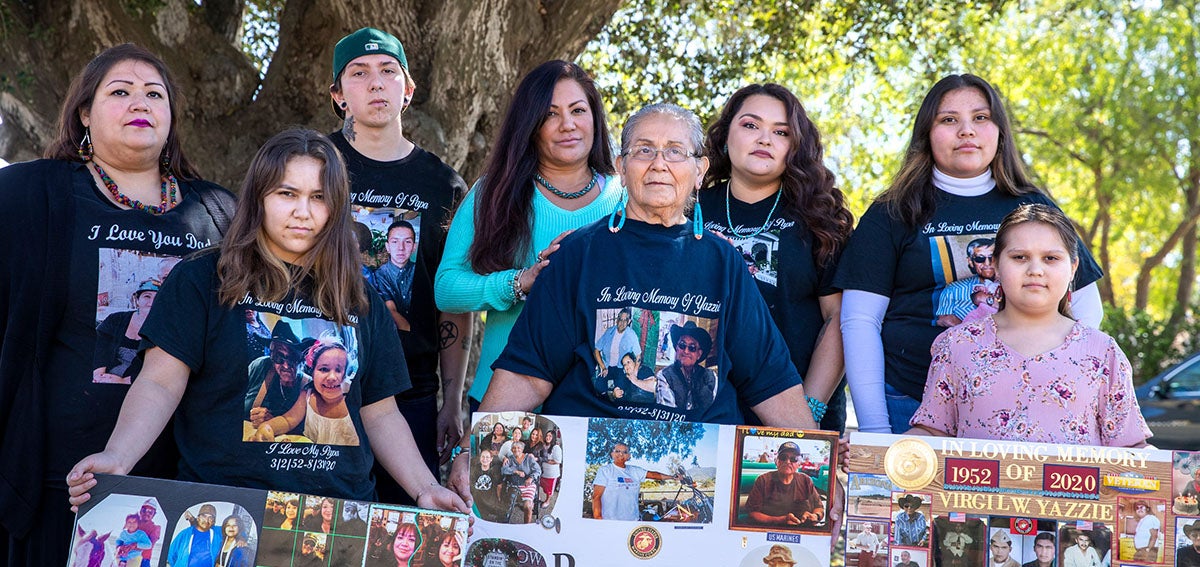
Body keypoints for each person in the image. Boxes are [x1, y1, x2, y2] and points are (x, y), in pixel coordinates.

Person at [65, 129, 468, 516]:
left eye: (318, 197)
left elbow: (380, 413)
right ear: (258, 197)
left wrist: (425, 488)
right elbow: (159, 382)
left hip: (338, 518)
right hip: (224, 511)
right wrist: (118, 457)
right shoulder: (203, 278)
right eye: (286, 193)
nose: (302, 211)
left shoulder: (360, 299)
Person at [0, 43, 236, 566]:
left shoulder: (221, 212)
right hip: (61, 478)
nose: (141, 103)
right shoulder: (27, 194)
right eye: (121, 91)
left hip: (188, 479)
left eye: (155, 94)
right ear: (85, 111)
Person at [835, 74, 1104, 434]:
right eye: (949, 120)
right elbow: (860, 322)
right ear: (927, 134)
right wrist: (875, 429)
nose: (967, 131)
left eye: (980, 118)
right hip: (908, 404)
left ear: (999, 132)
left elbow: (1085, 307)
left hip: (1020, 405)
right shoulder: (892, 212)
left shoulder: (1035, 207)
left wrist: (1052, 384)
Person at [329, 27, 472, 505]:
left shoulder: (443, 184)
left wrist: (450, 402)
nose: (375, 83)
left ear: (407, 90)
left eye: (388, 71)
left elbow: (453, 299)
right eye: (359, 73)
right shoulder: (312, 166)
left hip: (409, 391)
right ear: (338, 94)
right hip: (324, 381)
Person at [434, 60, 623, 411]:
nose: (568, 125)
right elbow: (446, 289)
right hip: (501, 403)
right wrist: (520, 282)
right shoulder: (493, 192)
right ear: (530, 126)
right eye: (550, 114)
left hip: (597, 409)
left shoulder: (626, 198)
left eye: (578, 110)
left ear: (595, 118)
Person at [907, 205, 1151, 446]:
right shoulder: (958, 345)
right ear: (997, 266)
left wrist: (1182, 474)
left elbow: (1130, 447)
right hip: (974, 487)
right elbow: (932, 433)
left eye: (1050, 258)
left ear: (1073, 268)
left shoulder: (1101, 352)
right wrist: (877, 458)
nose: (1035, 270)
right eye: (1019, 257)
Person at [699, 83, 853, 431]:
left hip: (799, 409)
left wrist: (806, 410)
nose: (764, 139)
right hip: (706, 411)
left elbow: (839, 319)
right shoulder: (687, 209)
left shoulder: (821, 218)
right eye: (750, 125)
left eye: (780, 132)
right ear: (725, 137)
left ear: (795, 146)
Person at [250, 337, 361, 445]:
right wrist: (267, 427)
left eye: (338, 370)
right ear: (312, 372)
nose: (332, 377)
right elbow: (287, 420)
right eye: (324, 369)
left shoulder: (353, 397)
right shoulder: (307, 394)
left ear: (345, 374)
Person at [93, 280, 160, 384]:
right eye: (147, 296)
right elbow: (99, 346)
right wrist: (99, 374)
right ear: (137, 300)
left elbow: (158, 367)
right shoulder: (115, 319)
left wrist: (124, 381)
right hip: (105, 378)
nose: (151, 303)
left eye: (157, 298)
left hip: (139, 384)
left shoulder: (165, 329)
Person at [590, 442, 677, 521]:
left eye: (625, 452)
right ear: (612, 454)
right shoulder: (605, 470)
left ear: (629, 456)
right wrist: (598, 519)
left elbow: (653, 475)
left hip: (633, 520)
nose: (621, 454)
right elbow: (596, 497)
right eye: (617, 451)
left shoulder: (635, 471)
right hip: (611, 521)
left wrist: (672, 477)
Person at [743, 441, 823, 526]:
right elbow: (752, 513)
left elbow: (819, 508)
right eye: (783, 457)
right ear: (776, 461)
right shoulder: (763, 480)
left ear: (799, 464)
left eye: (793, 459)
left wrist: (815, 516)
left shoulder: (806, 480)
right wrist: (780, 520)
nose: (788, 461)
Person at [244, 323, 306, 425]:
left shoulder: (307, 385)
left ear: (300, 359)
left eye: (292, 358)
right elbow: (233, 401)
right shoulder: (260, 366)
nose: (286, 366)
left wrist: (273, 423)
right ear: (271, 357)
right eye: (279, 357)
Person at [655, 321, 719, 412]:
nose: (686, 351)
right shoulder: (664, 376)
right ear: (676, 348)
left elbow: (714, 411)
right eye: (682, 345)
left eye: (692, 347)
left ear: (699, 354)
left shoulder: (711, 377)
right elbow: (668, 413)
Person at [935, 238, 998, 325]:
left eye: (992, 258)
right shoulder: (952, 290)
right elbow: (943, 320)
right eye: (980, 259)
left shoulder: (1011, 285)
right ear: (970, 261)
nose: (987, 263)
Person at [595, 352, 660, 404]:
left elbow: (654, 386)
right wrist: (614, 395)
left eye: (628, 362)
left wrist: (635, 381)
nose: (626, 366)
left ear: (635, 362)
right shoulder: (624, 378)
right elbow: (618, 394)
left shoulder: (644, 370)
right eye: (624, 365)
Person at [501, 441, 541, 523]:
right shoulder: (510, 459)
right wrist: (515, 471)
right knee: (507, 504)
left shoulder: (529, 458)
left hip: (528, 485)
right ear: (511, 450)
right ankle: (504, 526)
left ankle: (526, 527)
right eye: (514, 448)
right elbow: (503, 470)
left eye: (519, 448)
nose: (516, 450)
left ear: (522, 449)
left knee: (527, 506)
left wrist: (531, 478)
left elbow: (538, 470)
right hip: (514, 485)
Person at [593, 307, 640, 373]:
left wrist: (635, 370)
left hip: (621, 368)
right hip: (606, 366)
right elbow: (596, 350)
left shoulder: (631, 335)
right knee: (599, 382)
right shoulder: (609, 331)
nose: (622, 323)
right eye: (620, 319)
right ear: (617, 320)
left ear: (629, 322)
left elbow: (638, 355)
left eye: (625, 320)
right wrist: (603, 367)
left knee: (620, 382)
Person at [471, 447, 504, 519]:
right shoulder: (475, 469)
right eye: (482, 457)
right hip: (476, 500)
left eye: (487, 457)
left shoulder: (495, 471)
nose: (484, 459)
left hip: (489, 500)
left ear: (491, 459)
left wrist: (499, 499)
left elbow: (499, 486)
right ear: (480, 458)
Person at [535, 429, 563, 508]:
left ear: (553, 437)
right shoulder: (543, 445)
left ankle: (547, 501)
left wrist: (545, 460)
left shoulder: (556, 447)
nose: (548, 437)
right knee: (539, 485)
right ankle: (539, 498)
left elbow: (557, 461)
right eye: (547, 435)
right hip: (542, 471)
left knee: (549, 490)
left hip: (551, 473)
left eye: (550, 436)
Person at [135, 500, 162, 567]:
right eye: (144, 510)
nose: (147, 513)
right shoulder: (133, 524)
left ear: (154, 514)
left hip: (143, 561)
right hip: (128, 558)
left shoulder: (156, 528)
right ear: (140, 511)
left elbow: (149, 545)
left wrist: (132, 545)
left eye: (150, 512)